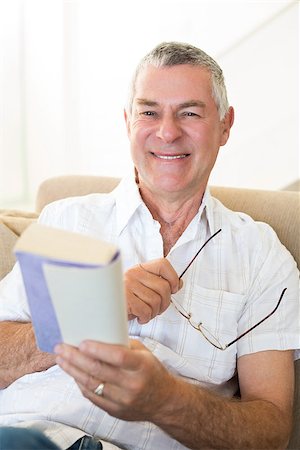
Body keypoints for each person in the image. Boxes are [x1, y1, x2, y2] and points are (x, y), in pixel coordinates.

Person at [0, 41, 299, 450]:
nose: (167, 132)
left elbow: (272, 431)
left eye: (189, 113)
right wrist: (92, 309)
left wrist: (166, 401)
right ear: (128, 122)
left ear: (226, 125)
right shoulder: (67, 221)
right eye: (149, 112)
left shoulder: (260, 255)